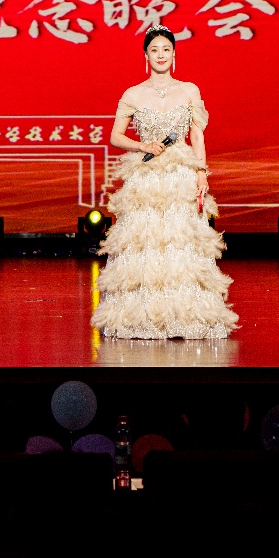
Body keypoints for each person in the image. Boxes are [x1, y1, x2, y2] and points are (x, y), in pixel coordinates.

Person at [91, 26, 238, 340]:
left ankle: (185, 315)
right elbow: (115, 136)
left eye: (166, 49)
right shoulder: (133, 94)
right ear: (146, 55)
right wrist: (143, 145)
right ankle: (141, 316)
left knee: (180, 239)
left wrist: (201, 172)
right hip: (146, 176)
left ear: (174, 54)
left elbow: (197, 135)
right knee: (145, 241)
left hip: (180, 173)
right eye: (154, 50)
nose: (161, 55)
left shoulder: (189, 90)